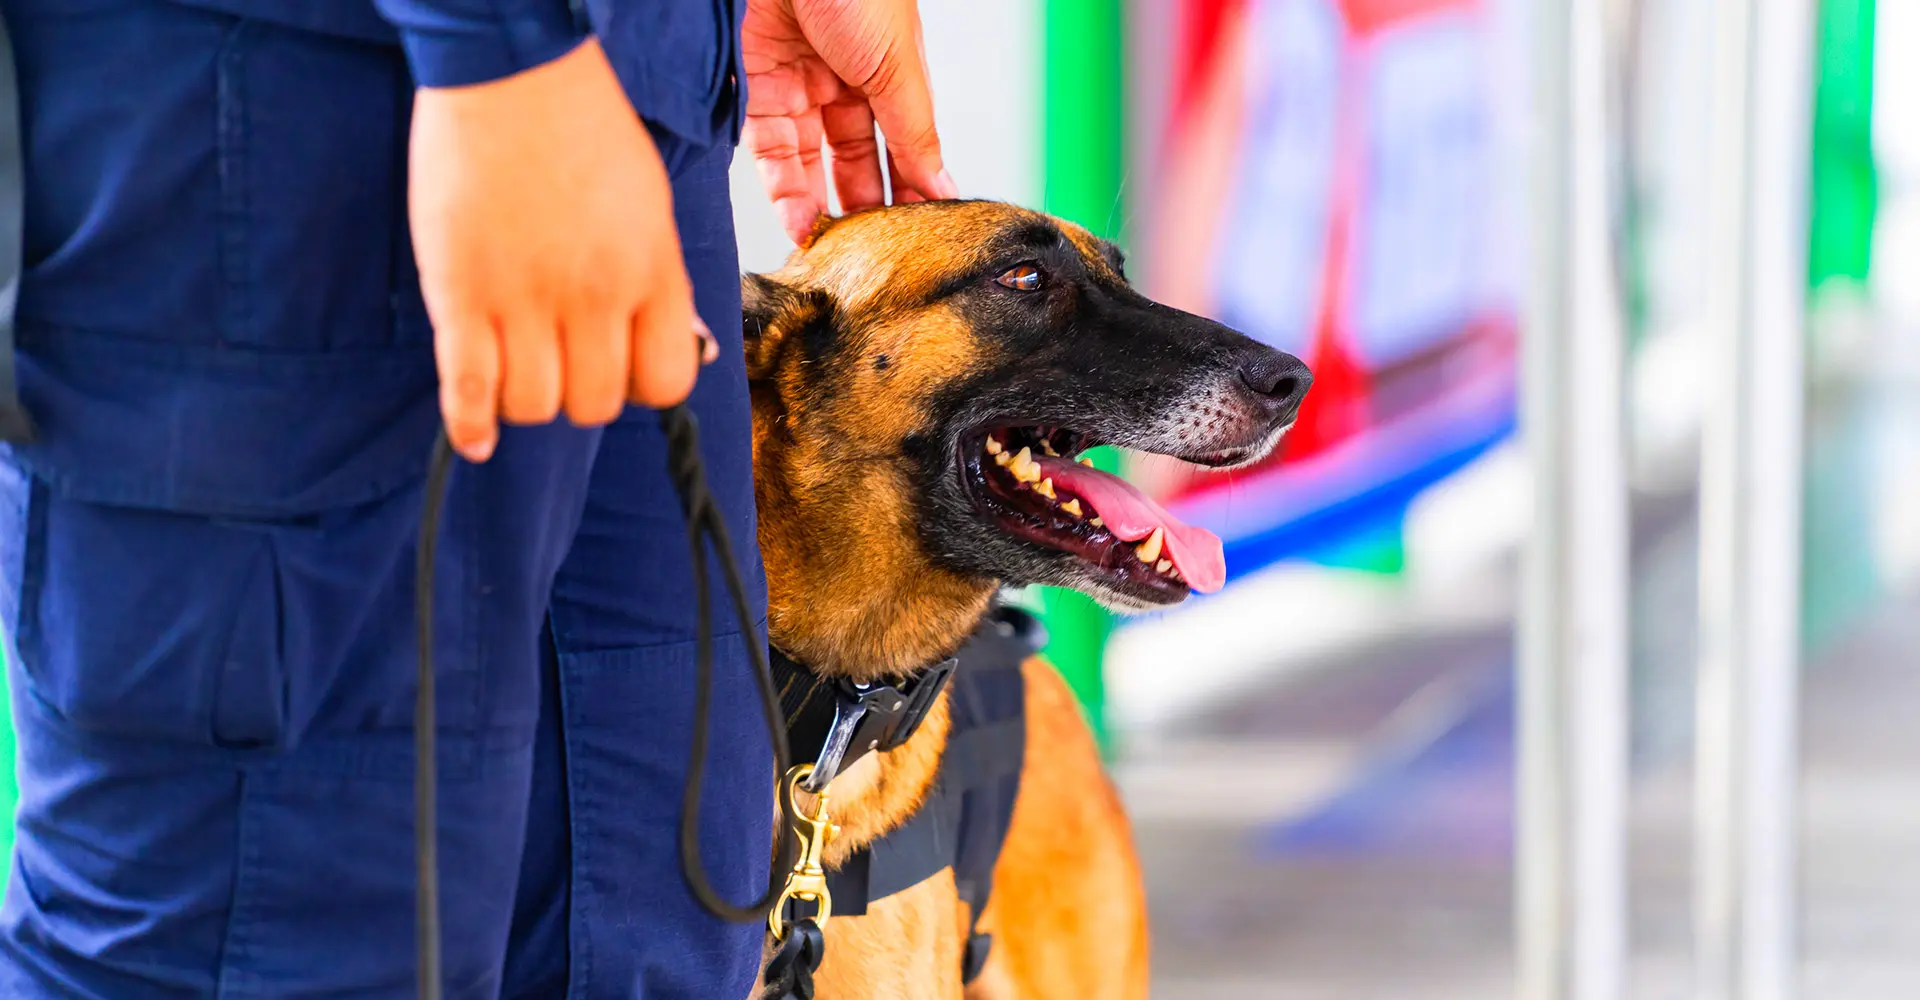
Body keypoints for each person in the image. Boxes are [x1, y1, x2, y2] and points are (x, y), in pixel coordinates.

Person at [0, 0, 953, 996]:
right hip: (331, 106)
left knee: (644, 924)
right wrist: (502, 48)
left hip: (622, 90)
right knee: (271, 933)